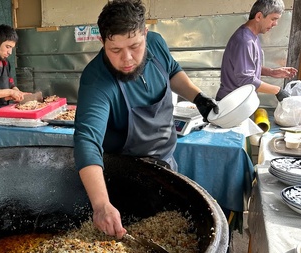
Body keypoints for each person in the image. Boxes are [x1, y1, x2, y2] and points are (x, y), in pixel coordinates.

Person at [73, 0, 219, 239]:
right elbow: (87, 141)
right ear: (102, 43)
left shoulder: (157, 44)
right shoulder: (96, 80)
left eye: (135, 46)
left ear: (145, 34)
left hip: (167, 163)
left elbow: (172, 70)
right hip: (128, 176)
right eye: (115, 50)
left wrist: (198, 97)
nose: (127, 58)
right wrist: (101, 206)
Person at [216, 0, 298, 101]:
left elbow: (245, 67)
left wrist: (271, 72)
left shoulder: (251, 36)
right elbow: (246, 79)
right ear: (259, 16)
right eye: (273, 19)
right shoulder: (245, 40)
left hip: (239, 103)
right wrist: (278, 91)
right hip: (230, 105)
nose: (275, 24)